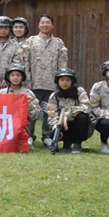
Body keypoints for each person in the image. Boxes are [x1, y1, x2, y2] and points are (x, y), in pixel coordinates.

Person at [16, 14, 68, 146]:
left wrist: (60, 81)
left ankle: (47, 135)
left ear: (52, 25)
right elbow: (24, 62)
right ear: (38, 25)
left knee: (49, 111)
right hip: (33, 83)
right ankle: (29, 135)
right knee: (31, 110)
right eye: (42, 22)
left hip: (51, 84)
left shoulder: (58, 43)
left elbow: (62, 63)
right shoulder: (31, 41)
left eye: (48, 22)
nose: (45, 25)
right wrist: (26, 80)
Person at [47, 68, 94, 154]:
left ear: (72, 81)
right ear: (57, 81)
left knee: (83, 117)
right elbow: (52, 115)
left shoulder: (79, 92)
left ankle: (77, 143)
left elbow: (86, 107)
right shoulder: (54, 96)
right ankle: (66, 143)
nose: (64, 83)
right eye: (62, 80)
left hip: (79, 126)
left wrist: (67, 115)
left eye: (68, 80)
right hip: (63, 125)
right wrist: (56, 128)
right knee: (52, 133)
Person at [0, 64, 41, 148]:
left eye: (18, 75)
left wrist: (29, 104)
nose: (15, 77)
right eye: (12, 75)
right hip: (4, 127)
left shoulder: (28, 93)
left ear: (22, 77)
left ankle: (28, 138)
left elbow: (35, 116)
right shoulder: (1, 93)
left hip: (22, 128)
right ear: (8, 77)